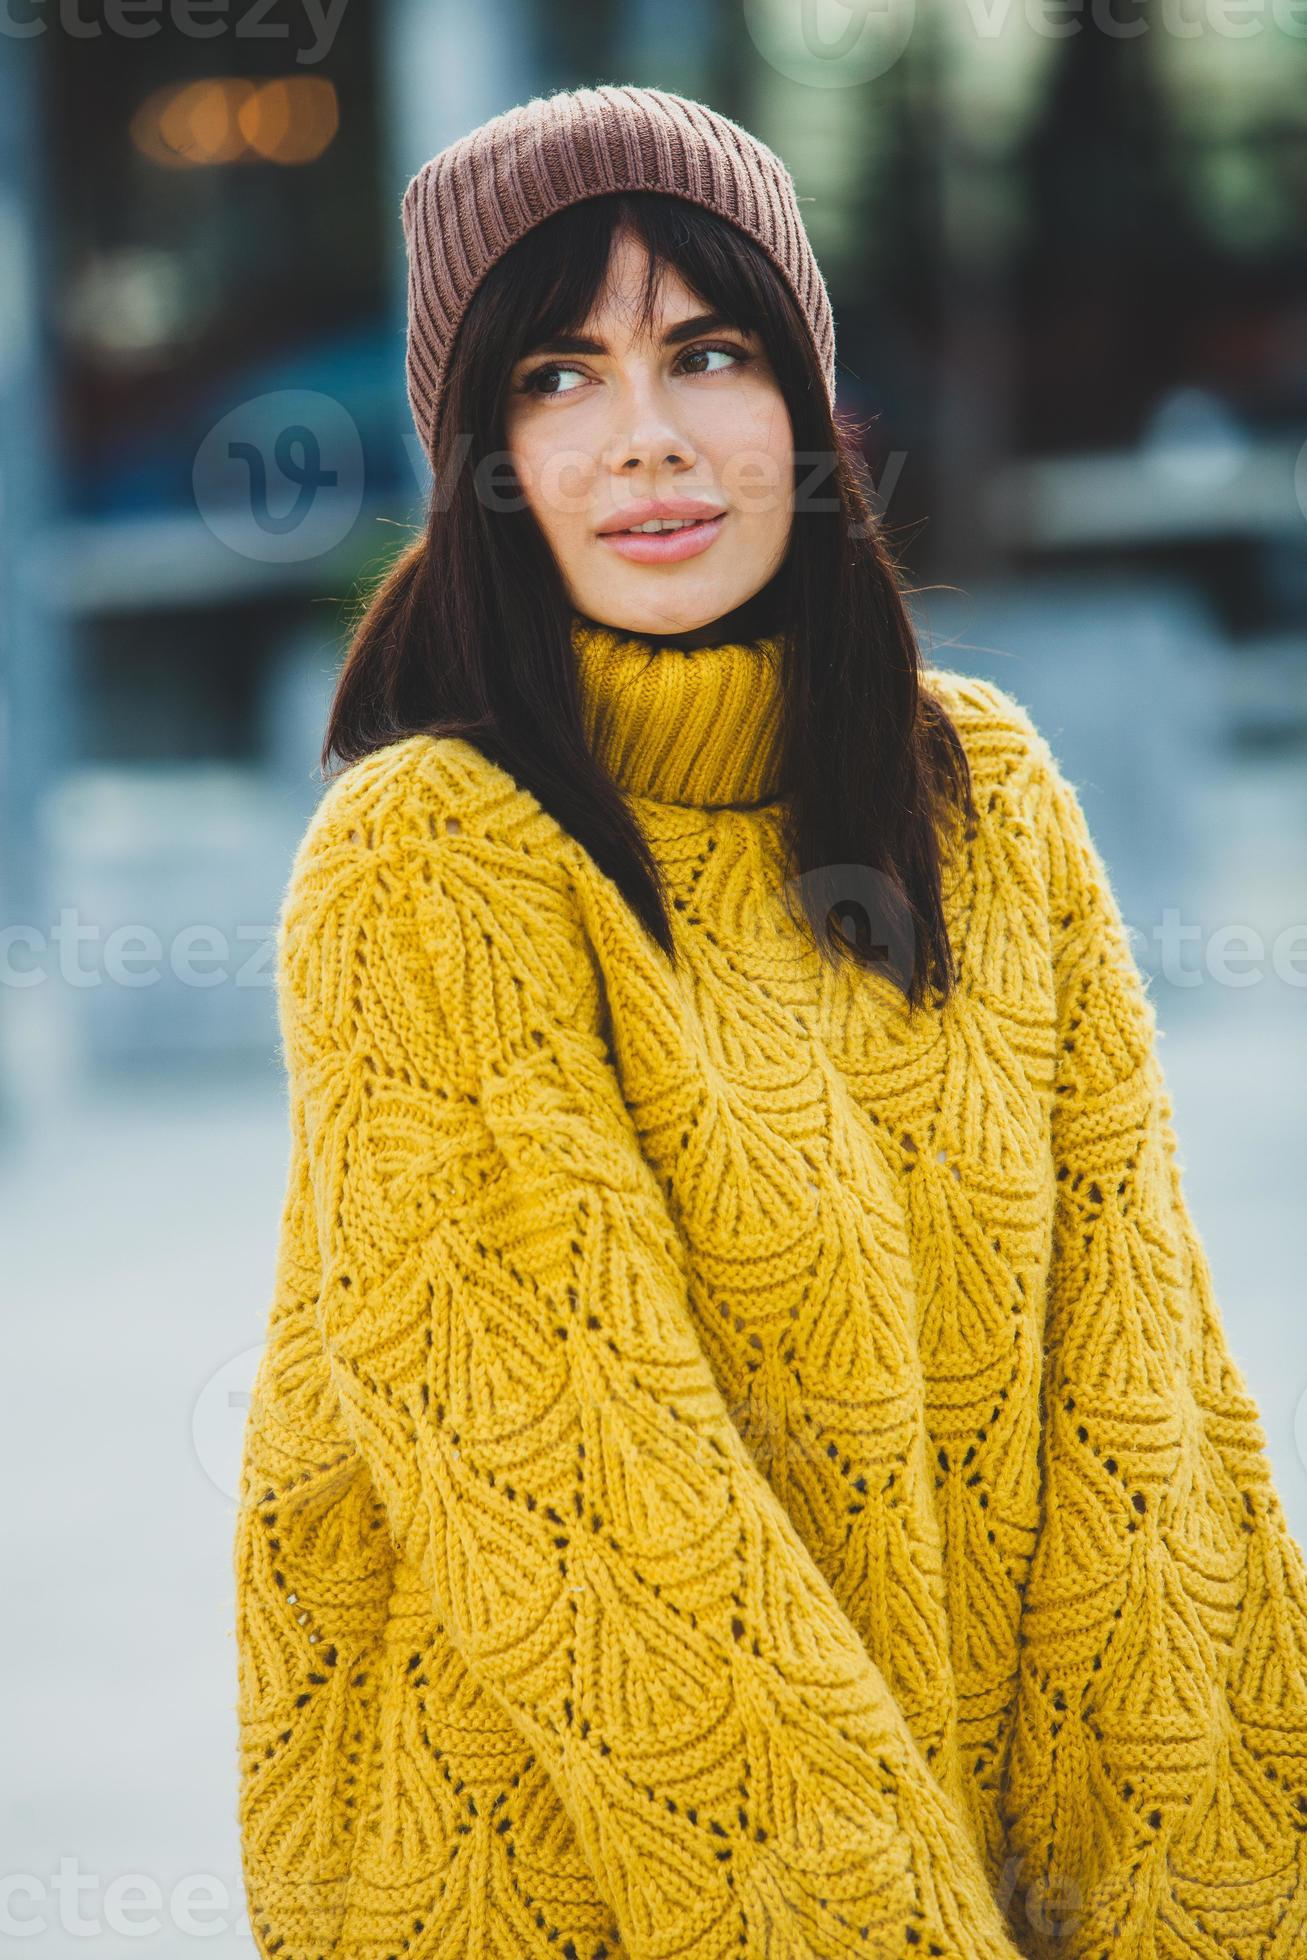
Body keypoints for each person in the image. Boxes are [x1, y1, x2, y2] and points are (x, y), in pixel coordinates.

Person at [232, 85, 1307, 1960]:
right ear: (475, 453)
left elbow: (1147, 1431)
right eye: (556, 378)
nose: (646, 441)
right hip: (585, 1895)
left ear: (807, 405)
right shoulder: (430, 859)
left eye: (707, 352)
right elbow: (596, 1532)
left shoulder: (991, 798)